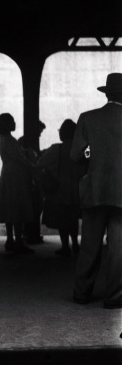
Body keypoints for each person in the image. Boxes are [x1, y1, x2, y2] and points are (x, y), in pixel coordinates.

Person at [70, 73, 122, 308]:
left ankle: (82, 293)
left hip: (95, 189)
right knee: (118, 249)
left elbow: (75, 155)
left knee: (89, 246)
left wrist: (93, 155)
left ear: (107, 93)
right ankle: (114, 297)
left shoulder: (88, 118)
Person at [37, 119, 83, 256]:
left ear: (62, 133)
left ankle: (65, 247)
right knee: (73, 219)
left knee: (63, 221)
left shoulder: (57, 149)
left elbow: (41, 163)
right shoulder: (83, 149)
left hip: (60, 191)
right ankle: (75, 243)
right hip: (77, 190)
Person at [0, 113, 36, 254]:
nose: (14, 123)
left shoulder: (3, 139)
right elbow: (20, 159)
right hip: (16, 177)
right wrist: (33, 165)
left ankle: (10, 239)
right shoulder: (10, 140)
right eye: (12, 121)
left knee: (9, 208)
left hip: (8, 175)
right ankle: (18, 241)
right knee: (17, 208)